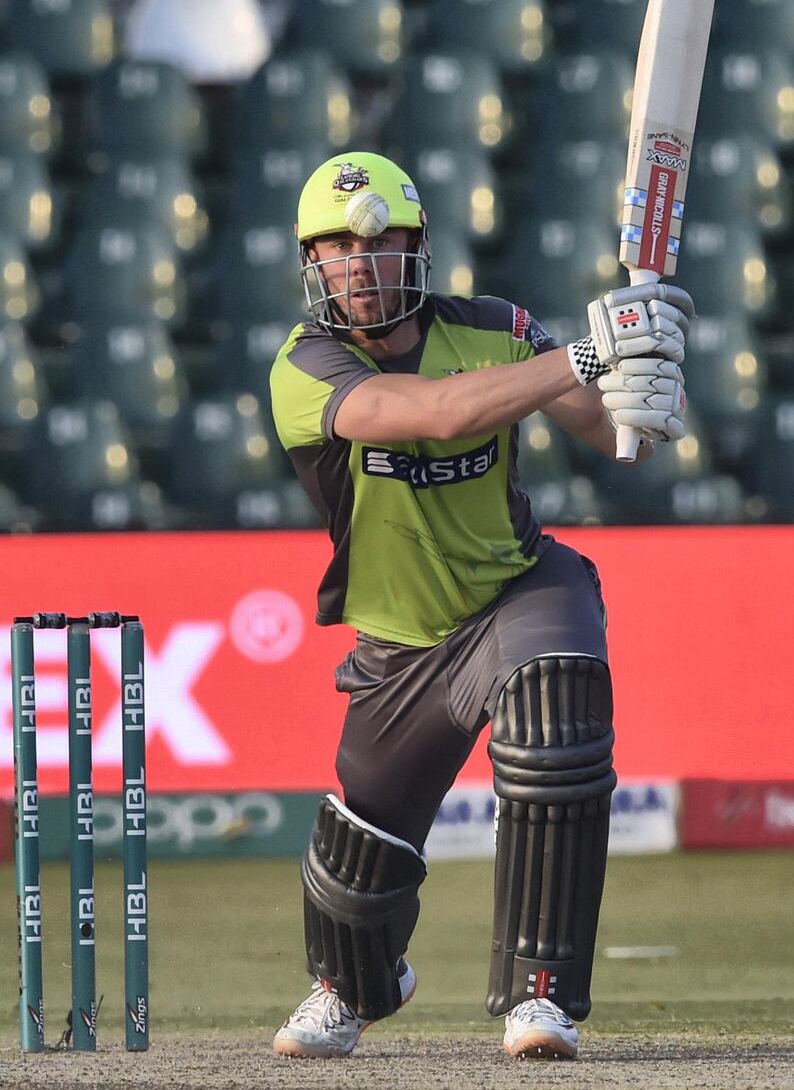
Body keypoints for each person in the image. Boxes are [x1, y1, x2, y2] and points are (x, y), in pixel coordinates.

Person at [268, 152, 691, 1060]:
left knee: (557, 708)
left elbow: (610, 435)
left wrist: (643, 388)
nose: (361, 263)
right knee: (356, 875)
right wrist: (586, 350)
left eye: (381, 244)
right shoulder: (305, 369)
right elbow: (441, 413)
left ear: (416, 249)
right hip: (397, 644)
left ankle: (541, 994)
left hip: (514, 592)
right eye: (338, 247)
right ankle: (354, 985)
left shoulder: (497, 328)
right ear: (313, 264)